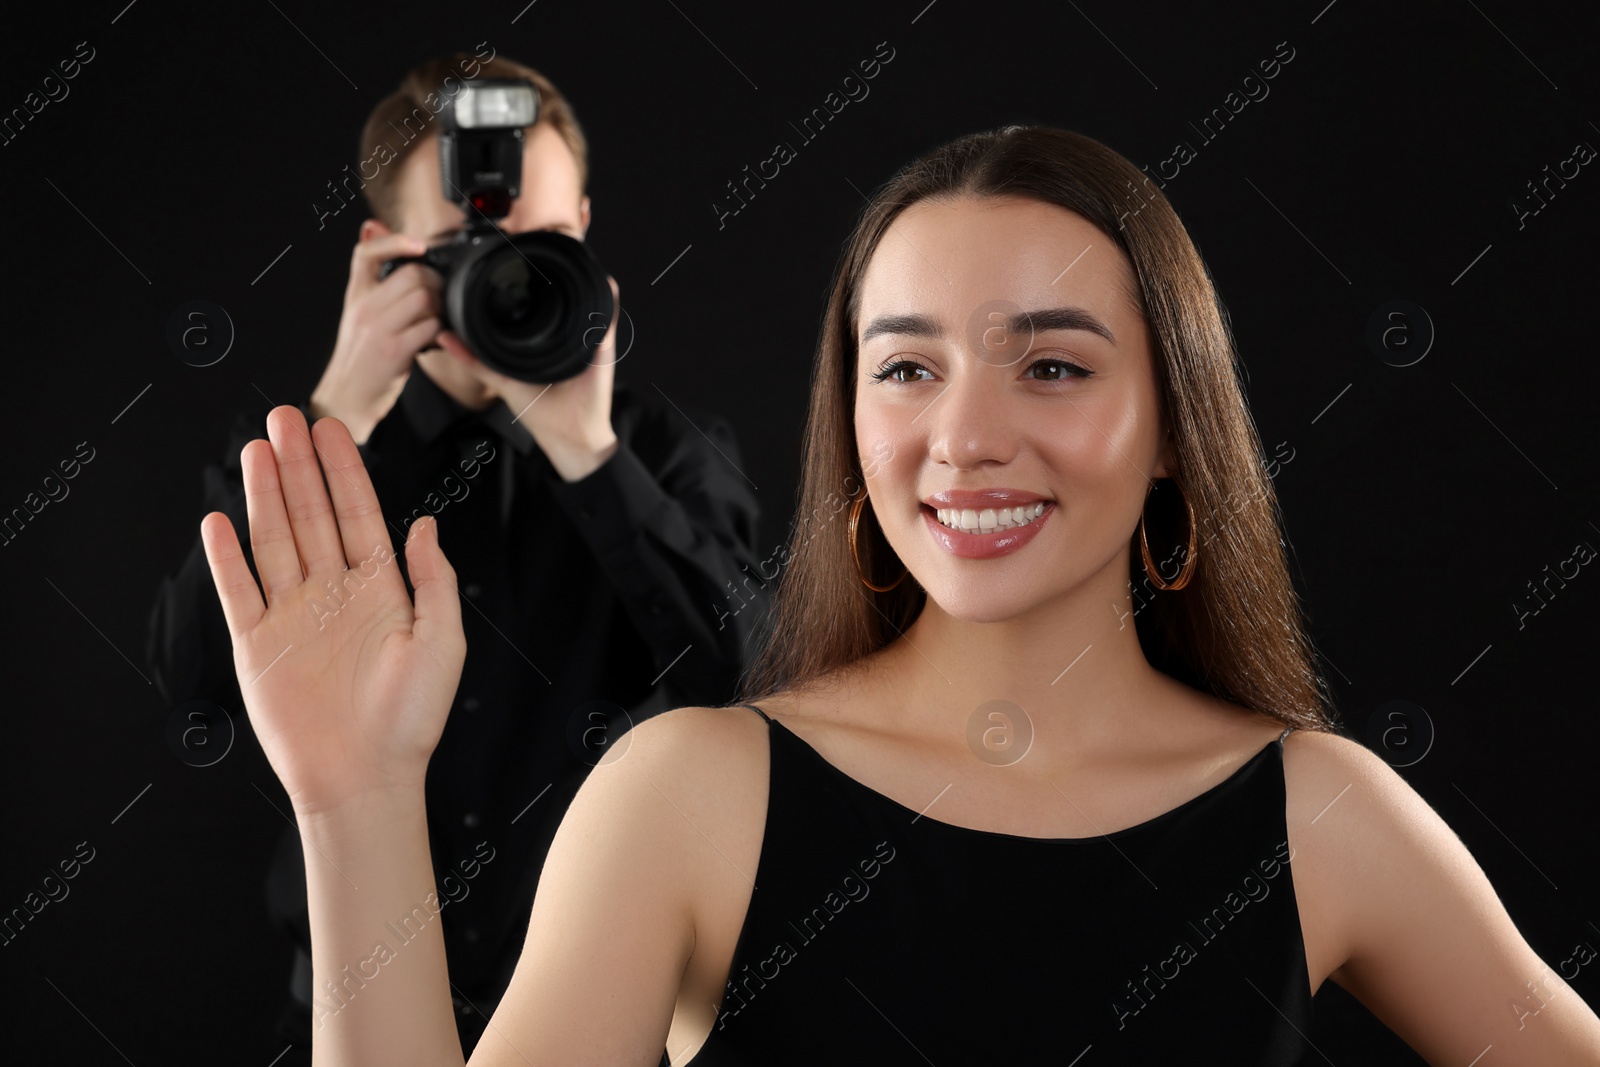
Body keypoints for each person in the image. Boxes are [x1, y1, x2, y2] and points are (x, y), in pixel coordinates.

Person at [194, 124, 1600, 1065]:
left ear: (1177, 421)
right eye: (908, 367)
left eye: (1051, 364)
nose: (964, 436)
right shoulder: (693, 788)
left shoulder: (1320, 808)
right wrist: (357, 799)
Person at [145, 51, 767, 1059]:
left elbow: (753, 679)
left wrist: (586, 451)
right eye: (460, 250)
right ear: (383, 256)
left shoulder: (660, 450)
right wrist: (338, 407)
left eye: (539, 247)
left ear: (584, 240)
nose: (504, 279)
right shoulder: (304, 451)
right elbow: (196, 692)